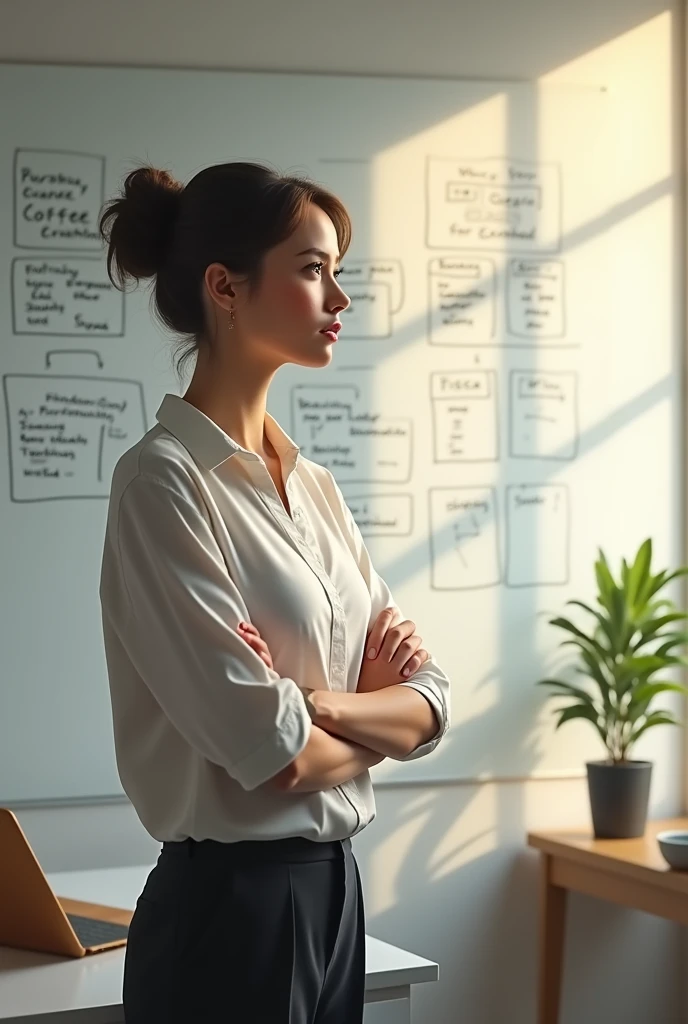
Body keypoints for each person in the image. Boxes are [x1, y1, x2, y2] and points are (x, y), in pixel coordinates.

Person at [98, 161, 451, 1024]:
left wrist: (316, 702)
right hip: (227, 912)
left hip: (337, 897)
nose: (339, 298)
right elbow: (274, 755)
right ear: (225, 286)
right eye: (311, 269)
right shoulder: (162, 486)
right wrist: (373, 714)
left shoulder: (315, 487)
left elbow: (432, 703)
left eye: (337, 272)